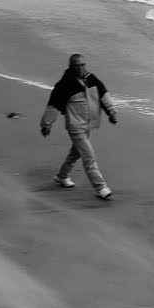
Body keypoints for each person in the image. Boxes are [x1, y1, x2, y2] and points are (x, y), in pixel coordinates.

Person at [40, 53, 118, 200]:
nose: (81, 68)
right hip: (75, 127)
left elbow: (103, 95)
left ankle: (62, 176)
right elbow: (54, 105)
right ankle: (100, 187)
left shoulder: (91, 79)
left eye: (83, 65)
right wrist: (46, 124)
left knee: (76, 153)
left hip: (88, 124)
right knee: (89, 157)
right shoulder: (65, 84)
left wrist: (111, 113)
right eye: (78, 65)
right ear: (71, 66)